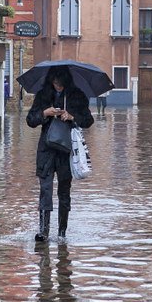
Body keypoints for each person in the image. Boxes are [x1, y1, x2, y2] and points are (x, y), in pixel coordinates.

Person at [26, 67, 94, 241]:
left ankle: (62, 232)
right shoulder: (42, 95)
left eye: (61, 84)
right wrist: (44, 113)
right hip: (46, 149)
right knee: (45, 190)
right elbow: (30, 120)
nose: (58, 86)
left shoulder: (77, 95)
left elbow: (88, 120)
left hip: (66, 150)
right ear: (51, 81)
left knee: (64, 191)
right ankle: (43, 232)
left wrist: (72, 116)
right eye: (55, 83)